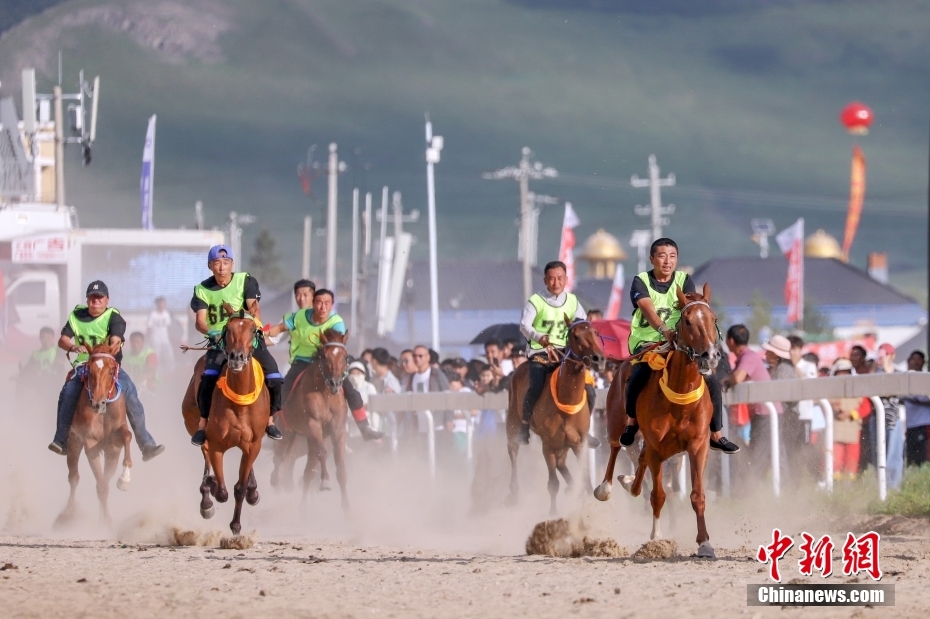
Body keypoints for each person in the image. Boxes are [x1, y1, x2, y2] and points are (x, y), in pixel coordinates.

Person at [620, 238, 739, 454]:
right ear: (652, 259)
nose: (667, 261)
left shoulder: (684, 280)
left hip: (680, 342)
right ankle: (631, 422)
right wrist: (664, 330)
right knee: (639, 374)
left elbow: (691, 310)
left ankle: (716, 434)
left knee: (710, 379)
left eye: (672, 256)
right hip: (648, 341)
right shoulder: (641, 281)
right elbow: (648, 310)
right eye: (662, 256)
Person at [48, 281, 165, 461]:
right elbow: (63, 340)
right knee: (68, 392)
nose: (95, 301)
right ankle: (61, 439)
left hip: (109, 366)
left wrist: (108, 350)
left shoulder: (113, 317)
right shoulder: (76, 315)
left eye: (99, 298)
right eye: (92, 297)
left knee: (130, 392)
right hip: (84, 365)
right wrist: (72, 347)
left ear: (107, 300)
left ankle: (146, 443)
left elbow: (116, 340)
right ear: (87, 299)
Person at [189, 245, 284, 446]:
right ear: (210, 266)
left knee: (275, 377)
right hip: (220, 342)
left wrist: (249, 327)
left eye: (226, 262)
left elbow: (254, 309)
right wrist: (212, 332)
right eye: (217, 263)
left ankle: (270, 420)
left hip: (248, 338)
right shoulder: (202, 290)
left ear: (232, 264)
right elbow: (200, 322)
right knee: (208, 377)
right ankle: (203, 424)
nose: (222, 267)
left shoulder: (245, 281)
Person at [266, 283, 383, 441]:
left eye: (327, 303)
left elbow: (336, 346)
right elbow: (279, 329)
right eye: (319, 303)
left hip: (327, 364)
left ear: (332, 305)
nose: (322, 307)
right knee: (282, 391)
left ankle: (365, 429)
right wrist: (264, 332)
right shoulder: (299, 316)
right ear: (314, 303)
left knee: (351, 392)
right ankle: (274, 426)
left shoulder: (336, 322)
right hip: (301, 362)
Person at [516, 260, 589, 445]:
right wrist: (539, 337)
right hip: (540, 352)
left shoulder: (572, 301)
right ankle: (524, 425)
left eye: (560, 278)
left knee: (588, 388)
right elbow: (524, 325)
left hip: (566, 354)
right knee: (536, 386)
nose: (556, 282)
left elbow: (583, 324)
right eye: (551, 279)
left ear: (566, 279)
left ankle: (584, 428)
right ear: (545, 280)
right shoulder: (536, 301)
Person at [722, 324, 775, 471]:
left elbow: (737, 378)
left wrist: (724, 382)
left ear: (730, 341)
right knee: (763, 455)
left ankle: (751, 485)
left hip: (765, 413)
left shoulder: (748, 356)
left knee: (757, 457)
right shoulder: (746, 357)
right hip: (763, 413)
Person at [829, 358, 861, 480]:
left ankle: (850, 485)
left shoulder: (858, 388)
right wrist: (834, 408)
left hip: (852, 429)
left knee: (852, 460)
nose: (843, 375)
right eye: (840, 372)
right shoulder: (830, 388)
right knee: (835, 459)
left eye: (846, 372)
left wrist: (851, 413)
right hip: (836, 429)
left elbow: (865, 407)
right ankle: (835, 484)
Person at [903, 350, 930, 467]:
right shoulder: (904, 379)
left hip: (923, 424)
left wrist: (912, 398)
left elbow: (925, 398)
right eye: (913, 359)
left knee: (923, 457)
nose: (916, 362)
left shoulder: (926, 378)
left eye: (919, 359)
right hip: (910, 425)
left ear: (924, 362)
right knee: (912, 459)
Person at [146, 296, 174, 374]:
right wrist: (147, 338)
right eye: (161, 303)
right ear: (157, 304)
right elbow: (149, 327)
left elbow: (168, 327)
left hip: (165, 340)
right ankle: (155, 373)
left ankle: (171, 373)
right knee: (156, 357)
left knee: (169, 357)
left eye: (164, 303)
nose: (163, 305)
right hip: (155, 340)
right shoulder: (153, 314)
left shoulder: (166, 314)